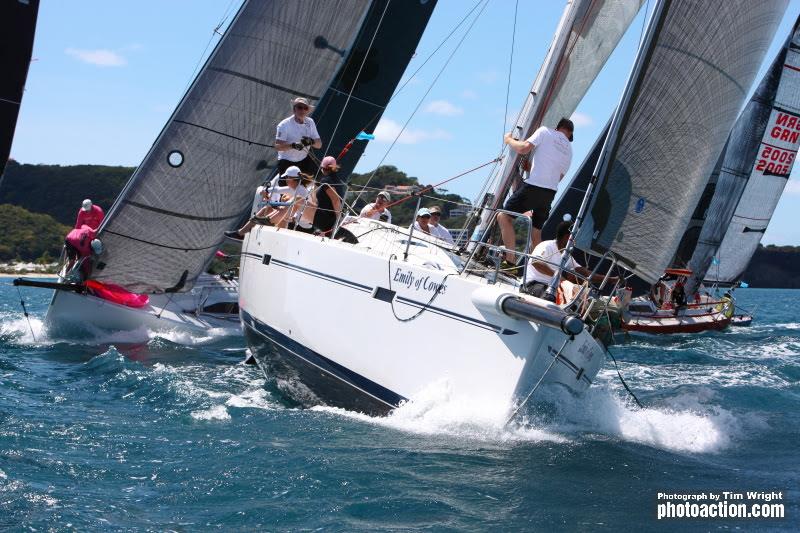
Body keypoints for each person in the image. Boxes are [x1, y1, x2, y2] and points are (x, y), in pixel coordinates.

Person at [497, 117, 574, 273]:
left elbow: (524, 148)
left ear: (558, 127)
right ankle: (536, 272)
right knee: (536, 232)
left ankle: (510, 262)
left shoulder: (545, 131)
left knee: (503, 217)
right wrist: (531, 167)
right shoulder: (570, 151)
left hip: (533, 187)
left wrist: (509, 140)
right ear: (570, 134)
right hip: (549, 193)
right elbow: (557, 177)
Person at [522, 221, 617, 299]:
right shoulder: (546, 246)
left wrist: (609, 279)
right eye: (575, 238)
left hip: (551, 288)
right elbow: (536, 262)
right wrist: (558, 276)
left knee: (580, 298)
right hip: (533, 284)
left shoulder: (567, 256)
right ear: (568, 237)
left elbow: (584, 272)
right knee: (552, 297)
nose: (576, 242)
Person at [225, 166, 311, 239]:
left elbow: (301, 211)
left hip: (301, 222)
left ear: (292, 179)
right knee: (266, 209)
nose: (286, 180)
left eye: (287, 177)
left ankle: (267, 225)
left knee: (281, 210)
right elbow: (277, 190)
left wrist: (293, 217)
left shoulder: (301, 191)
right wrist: (265, 190)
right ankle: (241, 233)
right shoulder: (295, 188)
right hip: (292, 217)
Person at [275, 97, 322, 179]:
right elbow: (278, 147)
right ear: (294, 110)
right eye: (300, 107)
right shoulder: (284, 125)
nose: (302, 110)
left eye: (305, 108)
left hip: (303, 159)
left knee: (320, 178)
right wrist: (293, 146)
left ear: (307, 111)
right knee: (287, 187)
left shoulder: (310, 122)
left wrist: (311, 142)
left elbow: (319, 145)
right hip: (286, 161)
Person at [298, 155, 346, 235]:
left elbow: (336, 200)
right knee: (300, 201)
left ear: (322, 167)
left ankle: (285, 221)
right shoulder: (338, 181)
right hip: (327, 217)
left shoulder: (326, 180)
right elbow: (316, 201)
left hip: (326, 220)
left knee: (297, 200)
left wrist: (338, 221)